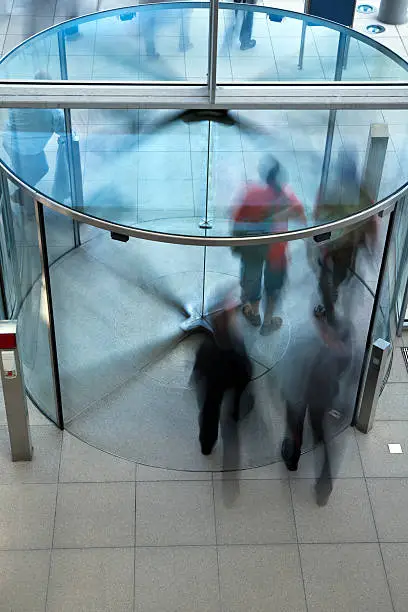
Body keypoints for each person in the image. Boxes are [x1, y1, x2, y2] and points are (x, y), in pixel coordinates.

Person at [281, 315, 353, 506]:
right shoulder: (343, 353)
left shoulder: (314, 348)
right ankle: (323, 487)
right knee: (321, 439)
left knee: (297, 427)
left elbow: (296, 366)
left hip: (308, 395)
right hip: (323, 401)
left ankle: (292, 459)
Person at [232, 156, 306, 334]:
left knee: (253, 279)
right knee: (273, 287)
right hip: (277, 251)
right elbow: (301, 217)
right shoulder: (287, 196)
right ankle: (267, 322)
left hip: (254, 249)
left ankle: (254, 313)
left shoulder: (252, 193)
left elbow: (237, 220)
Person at [313, 150, 377, 324]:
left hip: (337, 247)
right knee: (337, 275)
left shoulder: (330, 189)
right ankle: (332, 294)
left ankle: (331, 298)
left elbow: (318, 214)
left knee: (332, 276)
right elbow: (371, 222)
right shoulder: (361, 192)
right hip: (344, 247)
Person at [192, 304, 253, 456]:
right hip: (233, 381)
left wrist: (197, 380)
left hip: (212, 386)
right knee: (232, 413)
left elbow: (198, 369)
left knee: (209, 413)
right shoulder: (237, 346)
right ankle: (233, 421)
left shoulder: (207, 346)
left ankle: (207, 445)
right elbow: (246, 370)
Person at [3, 71, 65, 203]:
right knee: (41, 169)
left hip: (9, 142)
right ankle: (22, 195)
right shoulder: (53, 113)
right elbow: (64, 130)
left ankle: (18, 178)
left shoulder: (19, 101)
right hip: (29, 150)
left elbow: (12, 119)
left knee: (19, 166)